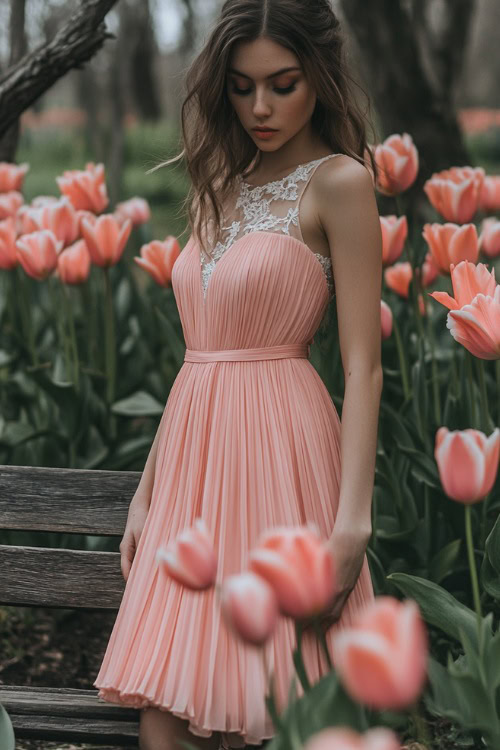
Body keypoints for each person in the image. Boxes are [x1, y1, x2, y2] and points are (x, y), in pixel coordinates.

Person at [93, 1, 383, 749]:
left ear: (320, 75)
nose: (260, 106)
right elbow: (201, 352)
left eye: (282, 84)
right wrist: (145, 493)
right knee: (165, 709)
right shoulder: (223, 178)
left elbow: (363, 363)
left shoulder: (341, 183)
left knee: (273, 702)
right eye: (241, 86)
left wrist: (352, 524)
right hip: (193, 467)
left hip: (282, 451)